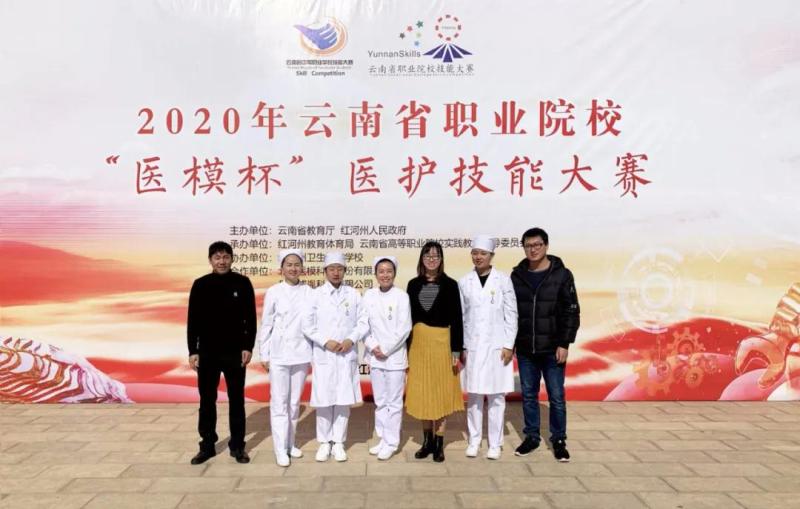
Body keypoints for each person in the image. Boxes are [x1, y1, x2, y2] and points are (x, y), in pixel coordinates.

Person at [510, 228, 580, 462]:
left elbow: (572, 311)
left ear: (546, 245)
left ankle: (558, 439)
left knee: (556, 396)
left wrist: (564, 343)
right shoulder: (517, 276)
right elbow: (510, 312)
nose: (533, 249)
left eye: (537, 245)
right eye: (528, 245)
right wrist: (511, 343)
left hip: (553, 348)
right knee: (529, 395)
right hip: (526, 348)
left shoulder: (562, 274)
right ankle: (531, 437)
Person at [186, 241, 256, 465]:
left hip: (235, 353)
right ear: (210, 260)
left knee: (237, 400)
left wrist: (248, 346)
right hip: (207, 352)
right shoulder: (200, 285)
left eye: (226, 257)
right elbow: (193, 320)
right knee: (207, 401)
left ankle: (238, 446)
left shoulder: (242, 283)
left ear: (232, 259)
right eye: (217, 257)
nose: (222, 261)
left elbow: (250, 319)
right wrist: (193, 350)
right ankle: (207, 446)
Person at [303, 252, 367, 462]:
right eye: (332, 269)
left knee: (343, 400)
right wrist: (325, 341)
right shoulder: (315, 295)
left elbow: (363, 322)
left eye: (340, 268)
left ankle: (339, 442)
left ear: (345, 271)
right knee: (324, 400)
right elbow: (307, 325)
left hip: (346, 353)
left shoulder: (353, 294)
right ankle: (324, 442)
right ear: (325, 271)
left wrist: (351, 339)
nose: (336, 272)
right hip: (325, 354)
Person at [458, 236, 518, 460]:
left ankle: (495, 443)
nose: (478, 257)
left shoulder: (503, 280)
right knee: (474, 396)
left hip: (497, 347)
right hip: (472, 347)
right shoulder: (465, 282)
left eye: (483, 253)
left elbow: (511, 313)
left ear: (491, 256)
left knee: (496, 397)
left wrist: (508, 344)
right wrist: (462, 346)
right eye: (475, 253)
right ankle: (474, 440)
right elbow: (461, 317)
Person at [405, 241, 464, 462]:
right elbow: (407, 319)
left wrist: (456, 350)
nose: (432, 260)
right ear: (422, 259)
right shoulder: (413, 285)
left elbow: (457, 319)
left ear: (441, 260)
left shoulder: (450, 285)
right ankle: (427, 441)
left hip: (442, 344)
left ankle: (439, 443)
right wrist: (405, 350)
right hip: (418, 345)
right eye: (427, 256)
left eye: (436, 256)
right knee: (422, 392)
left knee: (440, 393)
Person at [256, 249, 312, 467]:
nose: (293, 268)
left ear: (302, 268)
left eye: (297, 264)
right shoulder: (274, 291)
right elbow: (267, 324)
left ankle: (290, 443)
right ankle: (280, 449)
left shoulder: (309, 291)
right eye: (289, 264)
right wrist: (264, 353)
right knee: (279, 402)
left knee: (294, 403)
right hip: (279, 354)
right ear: (282, 268)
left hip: (301, 353)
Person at [362, 256, 412, 461]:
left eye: (389, 271)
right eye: (381, 271)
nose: (385, 275)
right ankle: (382, 438)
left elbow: (405, 328)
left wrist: (387, 349)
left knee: (394, 402)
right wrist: (373, 346)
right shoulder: (369, 296)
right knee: (381, 401)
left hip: (395, 358)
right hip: (375, 357)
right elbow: (363, 324)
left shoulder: (401, 296)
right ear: (376, 274)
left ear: (394, 274)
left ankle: (392, 443)